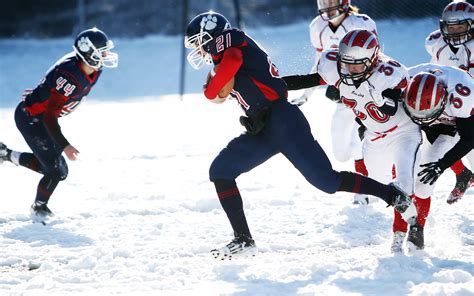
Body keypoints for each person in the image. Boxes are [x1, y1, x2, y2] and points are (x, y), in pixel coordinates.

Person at [184, 12, 417, 260]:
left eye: (199, 41)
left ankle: (392, 195)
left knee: (327, 181)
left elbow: (229, 66)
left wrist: (211, 89)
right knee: (221, 170)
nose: (198, 49)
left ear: (211, 36)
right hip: (262, 127)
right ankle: (243, 239)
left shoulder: (231, 42)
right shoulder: (230, 49)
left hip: (283, 121)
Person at [282, 29, 423, 253]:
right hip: (374, 135)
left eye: (357, 64)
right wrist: (269, 84)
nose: (350, 69)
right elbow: (306, 80)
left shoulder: (389, 72)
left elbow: (394, 107)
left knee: (403, 182)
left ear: (374, 60)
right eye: (346, 63)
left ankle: (401, 234)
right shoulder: (335, 66)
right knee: (378, 181)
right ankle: (408, 217)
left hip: (402, 131)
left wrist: (380, 99)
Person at [0, 28, 118, 219]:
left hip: (40, 116)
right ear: (88, 54)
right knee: (56, 171)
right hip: (32, 119)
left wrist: (44, 93)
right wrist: (65, 145)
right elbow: (49, 117)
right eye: (101, 52)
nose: (106, 55)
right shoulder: (71, 76)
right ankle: (39, 208)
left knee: (56, 169)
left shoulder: (92, 69)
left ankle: (5, 154)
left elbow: (53, 85)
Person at [292, 0, 377, 205]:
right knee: (340, 153)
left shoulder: (362, 22)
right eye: (323, 1)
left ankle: (363, 192)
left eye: (331, 1)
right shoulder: (317, 26)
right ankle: (365, 166)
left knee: (359, 144)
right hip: (341, 96)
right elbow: (319, 64)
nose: (327, 5)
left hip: (363, 94)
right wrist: (306, 94)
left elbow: (375, 59)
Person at [399, 64, 474, 250]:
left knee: (437, 162)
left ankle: (464, 173)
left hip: (460, 123)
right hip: (437, 116)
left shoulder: (462, 96)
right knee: (422, 183)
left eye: (427, 114)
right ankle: (418, 230)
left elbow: (468, 139)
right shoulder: (404, 80)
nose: (424, 118)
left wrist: (441, 165)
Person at [424, 1, 474, 203]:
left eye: (459, 26)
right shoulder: (436, 43)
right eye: (450, 27)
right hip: (452, 102)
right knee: (436, 141)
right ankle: (463, 175)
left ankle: (465, 175)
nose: (454, 31)